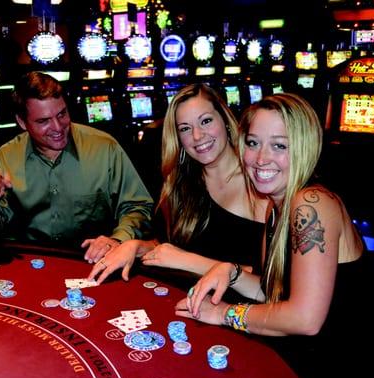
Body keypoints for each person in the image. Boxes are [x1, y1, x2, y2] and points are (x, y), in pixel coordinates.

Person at [177, 93, 366, 378]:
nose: (261, 158)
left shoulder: (312, 203)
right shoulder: (275, 206)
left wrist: (227, 313)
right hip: (299, 361)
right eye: (253, 143)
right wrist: (233, 271)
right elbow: (272, 292)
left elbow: (305, 319)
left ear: (304, 147)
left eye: (279, 146)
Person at [88, 83, 267, 290]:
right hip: (189, 302)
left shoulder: (261, 182)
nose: (197, 136)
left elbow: (272, 285)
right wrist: (135, 246)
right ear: (178, 138)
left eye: (206, 121)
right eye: (185, 128)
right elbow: (170, 248)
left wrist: (186, 260)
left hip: (241, 313)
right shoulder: (181, 186)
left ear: (225, 120)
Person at [0, 72, 153, 262]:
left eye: (62, 114)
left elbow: (137, 207)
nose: (57, 127)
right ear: (22, 122)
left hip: (94, 261)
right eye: (43, 121)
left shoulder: (105, 148)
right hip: (34, 263)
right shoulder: (6, 157)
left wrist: (116, 240)